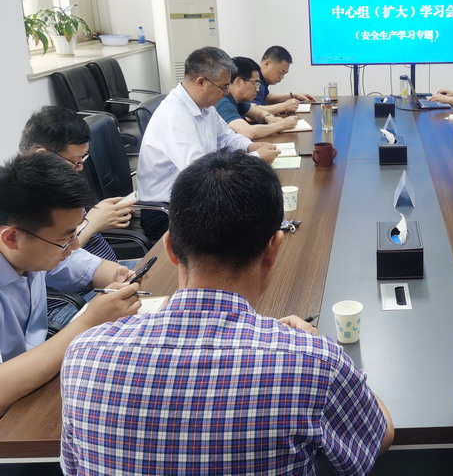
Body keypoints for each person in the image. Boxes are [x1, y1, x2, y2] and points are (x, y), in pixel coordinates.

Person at [61, 149, 394, 475]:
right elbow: (378, 437)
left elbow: (73, 466)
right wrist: (328, 352)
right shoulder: (314, 362)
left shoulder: (83, 356)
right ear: (274, 248)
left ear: (170, 248)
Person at [0, 152, 139, 414]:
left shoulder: (37, 247)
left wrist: (119, 276)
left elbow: (88, 268)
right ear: (11, 238)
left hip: (43, 374)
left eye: (76, 232)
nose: (74, 245)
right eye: (65, 238)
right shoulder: (37, 245)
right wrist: (87, 323)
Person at [136, 47, 280, 240]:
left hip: (197, 196)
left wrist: (250, 147)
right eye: (224, 87)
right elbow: (199, 173)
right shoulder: (174, 115)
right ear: (201, 82)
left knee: (258, 204)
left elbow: (226, 137)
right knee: (247, 222)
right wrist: (256, 158)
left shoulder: (205, 106)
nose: (226, 93)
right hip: (168, 210)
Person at [19, 106, 135, 264]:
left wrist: (100, 213)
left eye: (83, 159)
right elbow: (50, 262)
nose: (80, 168)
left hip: (106, 267)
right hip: (89, 278)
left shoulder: (57, 182)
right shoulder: (26, 200)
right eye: (75, 161)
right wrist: (93, 222)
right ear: (44, 156)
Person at [215, 56, 299, 138]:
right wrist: (282, 125)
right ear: (239, 82)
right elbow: (248, 132)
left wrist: (267, 117)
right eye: (255, 83)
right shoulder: (223, 102)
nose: (258, 89)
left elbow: (258, 113)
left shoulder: (238, 101)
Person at [252, 45, 315, 115]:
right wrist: (283, 107)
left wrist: (294, 96)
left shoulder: (261, 79)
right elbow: (250, 111)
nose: (282, 77)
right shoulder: (253, 80)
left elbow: (266, 97)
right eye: (281, 72)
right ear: (266, 64)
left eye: (284, 74)